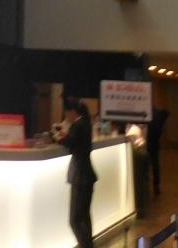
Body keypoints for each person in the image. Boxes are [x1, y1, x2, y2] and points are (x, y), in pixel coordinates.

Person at [56, 96, 98, 248]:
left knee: (74, 220)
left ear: (72, 111)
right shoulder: (86, 124)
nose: (66, 116)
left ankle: (85, 245)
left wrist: (60, 138)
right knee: (85, 216)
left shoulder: (77, 125)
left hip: (80, 177)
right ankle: (89, 245)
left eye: (66, 113)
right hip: (88, 175)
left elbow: (69, 143)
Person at [147, 104, 169, 196]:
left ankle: (146, 186)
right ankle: (156, 187)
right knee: (155, 164)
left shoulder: (148, 113)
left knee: (147, 165)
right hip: (154, 142)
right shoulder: (158, 113)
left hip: (148, 141)